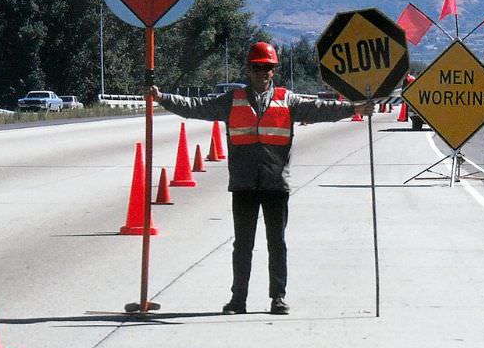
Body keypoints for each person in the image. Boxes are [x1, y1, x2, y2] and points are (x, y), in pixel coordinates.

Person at [151, 41, 373, 315]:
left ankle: (277, 297)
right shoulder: (232, 101)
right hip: (244, 184)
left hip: (275, 184)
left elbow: (320, 109)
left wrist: (355, 108)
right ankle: (238, 299)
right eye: (257, 68)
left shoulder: (287, 100)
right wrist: (163, 98)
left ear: (274, 71)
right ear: (249, 70)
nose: (262, 73)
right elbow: (196, 106)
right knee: (242, 245)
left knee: (276, 243)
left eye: (267, 68)